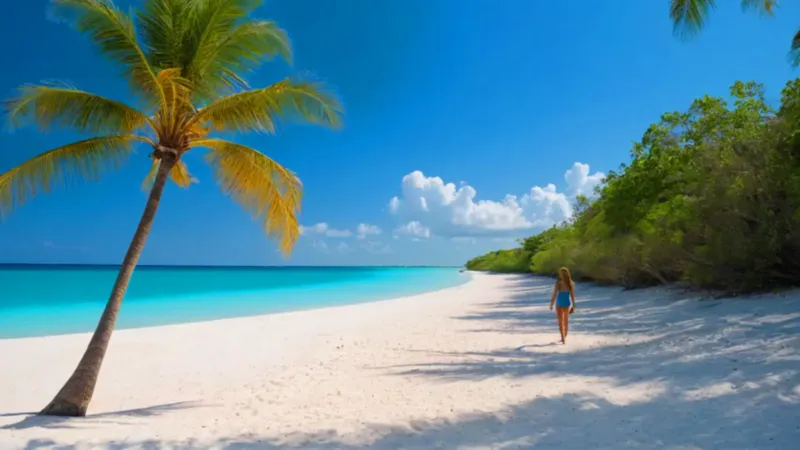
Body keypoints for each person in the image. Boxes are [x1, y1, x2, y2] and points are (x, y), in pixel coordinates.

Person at [549, 267, 576, 344]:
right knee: (566, 320)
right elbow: (572, 296)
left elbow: (554, 294)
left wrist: (551, 304)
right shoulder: (571, 283)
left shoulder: (559, 283)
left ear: (562, 274)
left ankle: (563, 338)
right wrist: (574, 306)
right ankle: (565, 336)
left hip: (559, 303)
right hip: (566, 303)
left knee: (560, 321)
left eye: (560, 273)